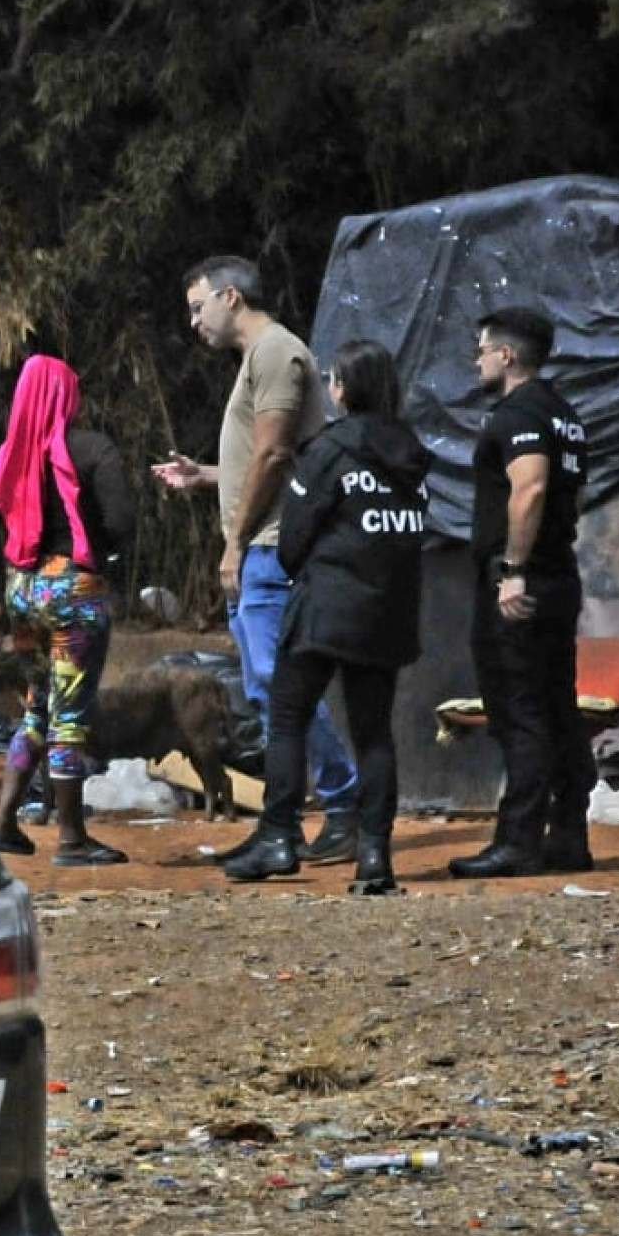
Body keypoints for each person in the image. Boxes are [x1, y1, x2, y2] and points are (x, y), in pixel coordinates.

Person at [150, 254, 361, 864]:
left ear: (231, 298)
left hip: (269, 547)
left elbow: (273, 459)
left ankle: (341, 805)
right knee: (267, 690)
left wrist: (234, 543)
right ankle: (285, 818)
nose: (194, 322)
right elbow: (260, 461)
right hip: (259, 546)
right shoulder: (259, 359)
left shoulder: (275, 353)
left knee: (279, 684)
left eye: (198, 307)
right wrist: (207, 475)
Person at [222, 342, 429, 892]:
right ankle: (375, 859)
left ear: (343, 389)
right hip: (388, 610)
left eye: (335, 379)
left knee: (288, 715)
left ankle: (279, 837)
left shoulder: (329, 449)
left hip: (325, 608)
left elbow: (293, 538)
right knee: (374, 733)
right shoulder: (411, 453)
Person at [0, 353, 136, 866]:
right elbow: (123, 520)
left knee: (39, 706)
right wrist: (95, 549)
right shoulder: (93, 449)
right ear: (67, 397)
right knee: (70, 717)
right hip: (73, 596)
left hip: (25, 595)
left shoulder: (9, 460)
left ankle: (3, 824)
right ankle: (72, 839)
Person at [450, 305, 592, 878]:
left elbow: (530, 489)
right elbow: (571, 498)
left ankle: (519, 842)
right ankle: (569, 836)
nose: (477, 359)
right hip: (560, 575)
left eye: (482, 349)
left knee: (520, 711)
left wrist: (513, 569)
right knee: (557, 706)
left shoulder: (520, 413)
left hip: (523, 583)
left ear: (507, 355)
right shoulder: (565, 414)